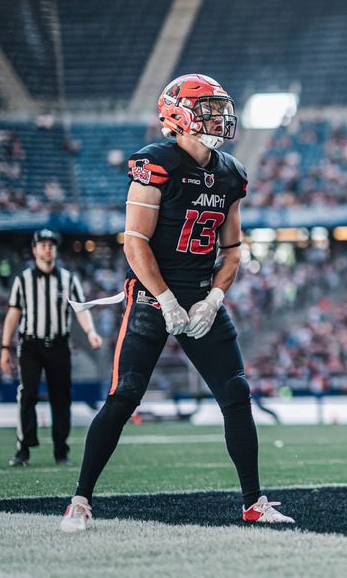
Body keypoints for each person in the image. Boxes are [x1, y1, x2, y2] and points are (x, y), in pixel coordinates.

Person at [59, 74, 293, 532]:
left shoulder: (231, 173)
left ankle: (253, 502)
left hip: (202, 295)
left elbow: (232, 251)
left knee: (237, 394)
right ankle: (80, 501)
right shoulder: (156, 163)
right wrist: (165, 298)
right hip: (152, 295)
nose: (219, 117)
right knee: (125, 394)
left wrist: (216, 297)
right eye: (208, 109)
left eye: (220, 108)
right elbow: (134, 242)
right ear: (179, 115)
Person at [0, 228, 103, 466]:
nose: (48, 249)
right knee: (28, 393)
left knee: (61, 396)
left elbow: (81, 309)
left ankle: (61, 451)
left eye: (52, 245)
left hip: (59, 344)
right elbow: (13, 314)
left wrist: (91, 332)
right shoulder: (23, 280)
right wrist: (5, 347)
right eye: (43, 245)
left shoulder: (68, 279)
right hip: (31, 344)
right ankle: (24, 449)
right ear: (34, 250)